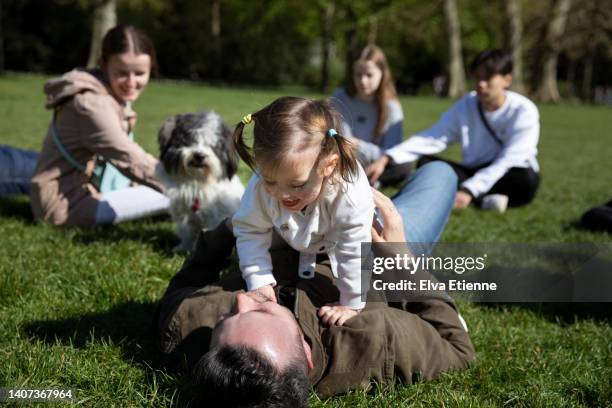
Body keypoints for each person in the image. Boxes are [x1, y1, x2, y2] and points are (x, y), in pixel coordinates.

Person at [154, 174, 474, 406]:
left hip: (280, 220)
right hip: (372, 244)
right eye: (262, 308)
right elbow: (458, 348)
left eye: (227, 317)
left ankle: (377, 170)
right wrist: (400, 257)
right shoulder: (375, 344)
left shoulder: (190, 328)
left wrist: (231, 228)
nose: (240, 299)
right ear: (305, 353)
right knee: (440, 173)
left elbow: (181, 291)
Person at [232, 96, 374, 325]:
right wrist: (259, 281)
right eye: (270, 180)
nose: (281, 194)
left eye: (297, 185)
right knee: (242, 219)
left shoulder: (350, 197)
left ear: (329, 166)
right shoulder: (262, 186)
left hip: (341, 237)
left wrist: (351, 303)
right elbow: (250, 229)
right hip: (292, 236)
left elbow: (355, 249)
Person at [367, 49, 540, 212]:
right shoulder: (466, 105)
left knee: (526, 180)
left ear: (507, 80)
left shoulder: (524, 110)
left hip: (510, 172)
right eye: (477, 77)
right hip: (473, 170)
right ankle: (486, 200)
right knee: (429, 164)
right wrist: (387, 157)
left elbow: (510, 158)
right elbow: (434, 137)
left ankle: (473, 197)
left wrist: (469, 189)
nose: (481, 84)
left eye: (488, 78)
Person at [30, 25, 169, 227]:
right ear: (103, 65)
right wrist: (186, 184)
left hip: (90, 191)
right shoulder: (91, 105)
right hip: (64, 206)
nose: (131, 82)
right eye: (122, 73)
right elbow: (130, 159)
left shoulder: (107, 91)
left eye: (139, 73)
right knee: (177, 196)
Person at [331, 45, 411, 187]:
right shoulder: (340, 98)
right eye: (358, 74)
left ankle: (369, 182)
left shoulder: (392, 108)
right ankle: (361, 181)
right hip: (345, 157)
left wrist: (360, 145)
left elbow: (392, 152)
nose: (363, 81)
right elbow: (342, 141)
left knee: (403, 165)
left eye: (369, 75)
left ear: (382, 73)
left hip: (375, 162)